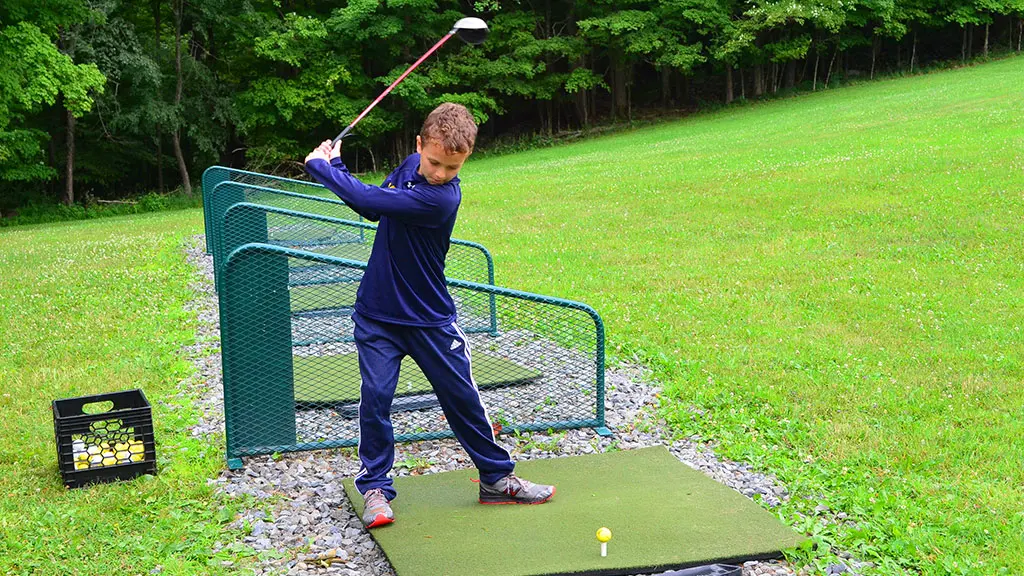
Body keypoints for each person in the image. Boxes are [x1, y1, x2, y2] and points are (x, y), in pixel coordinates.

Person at [304, 103, 555, 529]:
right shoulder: (408, 167)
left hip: (430, 319)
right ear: (419, 145)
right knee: (376, 399)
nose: (440, 173)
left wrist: (321, 166)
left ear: (466, 159)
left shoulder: (441, 198)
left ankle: (495, 477)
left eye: (452, 167)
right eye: (435, 162)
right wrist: (339, 160)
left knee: (462, 398)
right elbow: (371, 207)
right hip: (378, 315)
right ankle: (376, 489)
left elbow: (365, 196)